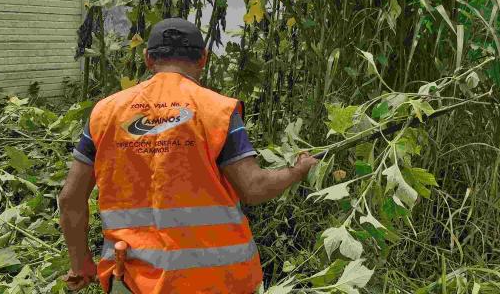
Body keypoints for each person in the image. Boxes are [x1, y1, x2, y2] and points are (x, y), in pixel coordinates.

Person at [58, 18, 318, 293]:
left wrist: (81, 262)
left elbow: (70, 198)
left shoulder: (105, 112)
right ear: (203, 59)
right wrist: (297, 170)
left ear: (148, 59)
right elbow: (254, 188)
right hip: (215, 279)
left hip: (131, 279)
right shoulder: (218, 111)